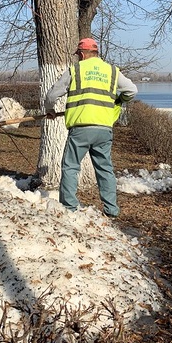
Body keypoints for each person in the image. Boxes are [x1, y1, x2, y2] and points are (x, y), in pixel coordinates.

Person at [43, 37, 137, 217]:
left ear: (81, 54)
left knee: (71, 167)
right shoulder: (112, 71)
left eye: (78, 55)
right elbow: (132, 90)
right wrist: (119, 100)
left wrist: (50, 110)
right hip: (104, 129)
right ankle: (111, 210)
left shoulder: (76, 70)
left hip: (81, 129)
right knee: (105, 169)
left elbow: (53, 94)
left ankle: (69, 207)